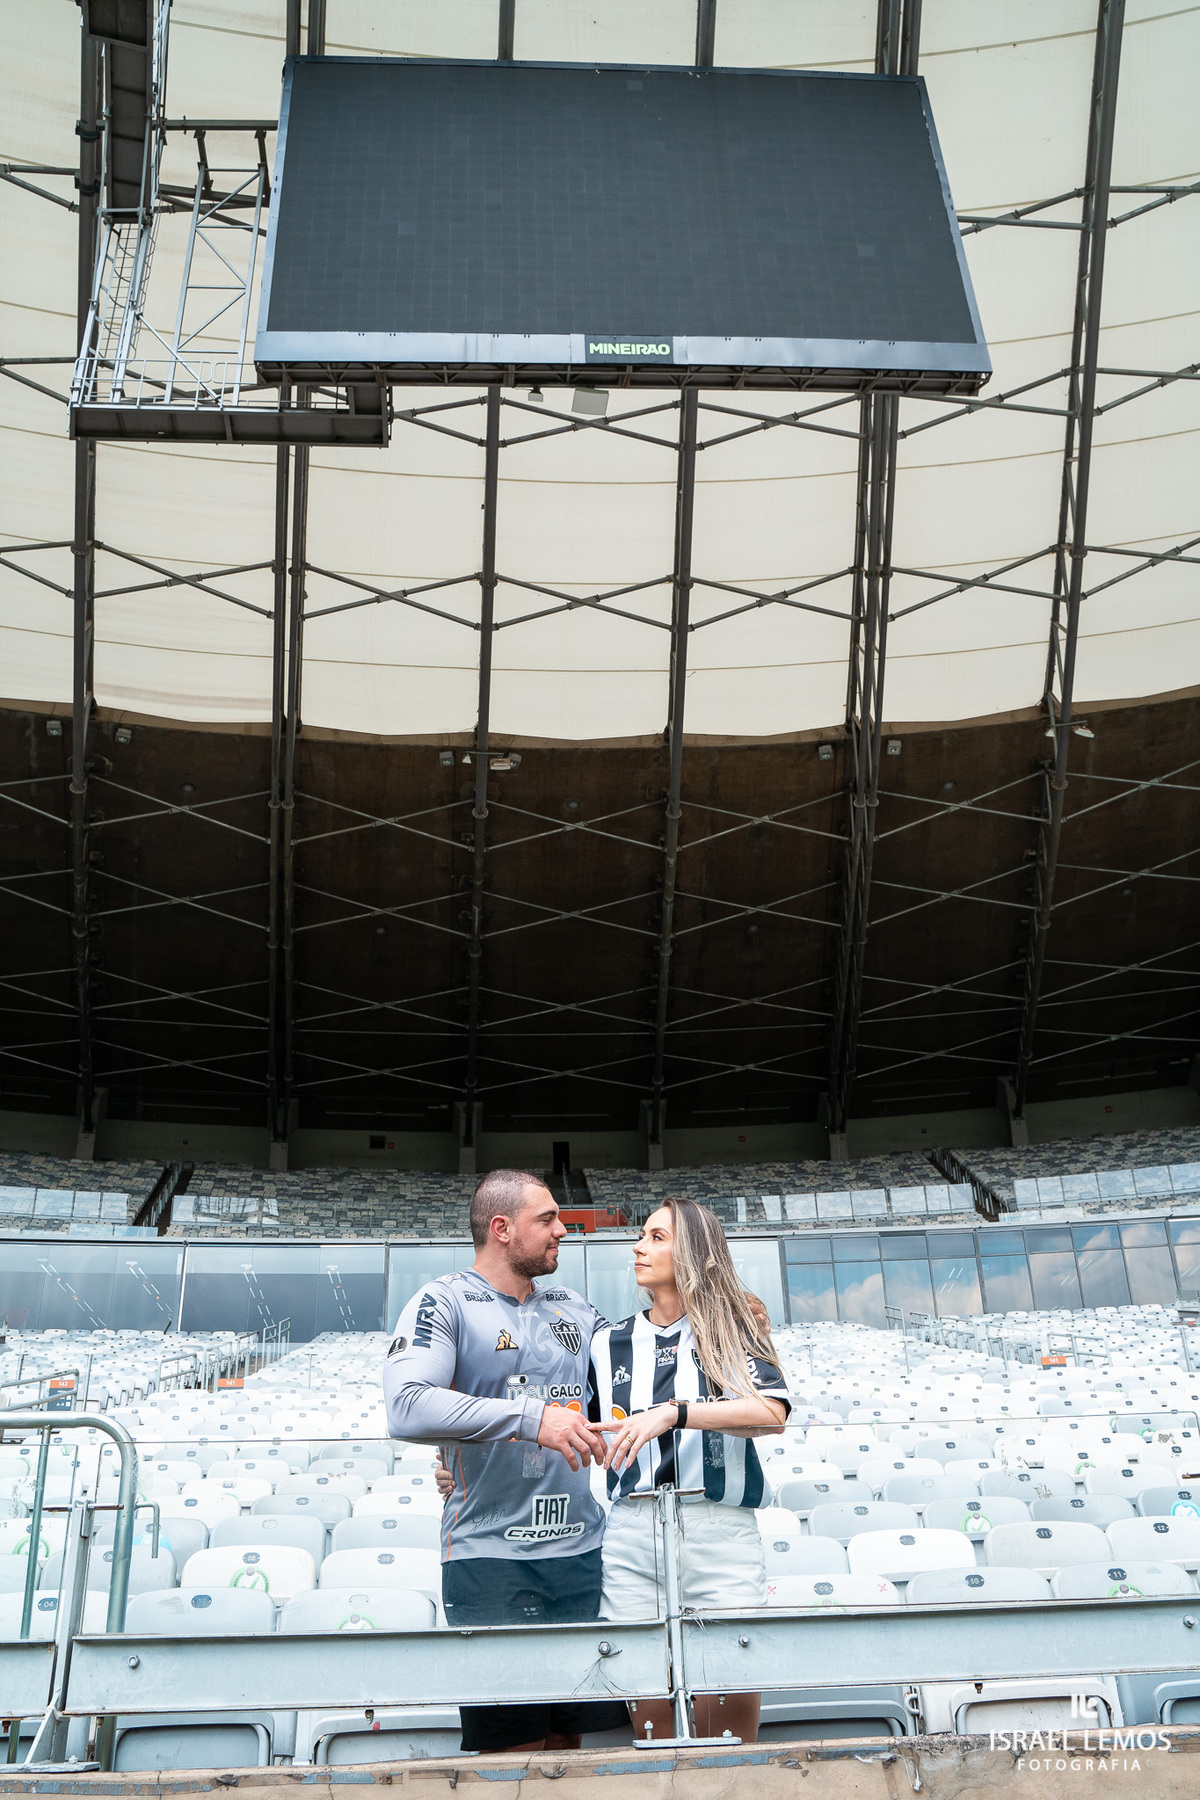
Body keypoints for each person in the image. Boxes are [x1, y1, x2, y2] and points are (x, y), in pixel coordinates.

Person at [382, 1169, 615, 1756]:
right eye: (548, 1220)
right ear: (502, 1228)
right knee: (513, 1755)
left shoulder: (574, 1307)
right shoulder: (443, 1301)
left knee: (568, 1745)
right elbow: (407, 1407)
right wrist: (533, 1419)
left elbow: (637, 1366)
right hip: (490, 1558)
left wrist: (725, 1316)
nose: (563, 1229)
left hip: (581, 1553)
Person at [591, 1197, 789, 1744]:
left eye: (658, 1237)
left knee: (727, 1702)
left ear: (697, 1254)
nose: (639, 1246)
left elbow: (771, 1414)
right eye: (642, 1236)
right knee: (648, 1706)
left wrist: (675, 1415)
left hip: (717, 1532)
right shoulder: (607, 1341)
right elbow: (587, 1430)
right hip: (631, 1532)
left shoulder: (733, 1326)